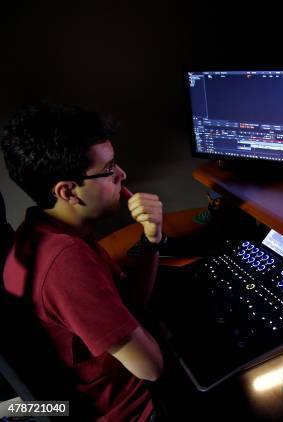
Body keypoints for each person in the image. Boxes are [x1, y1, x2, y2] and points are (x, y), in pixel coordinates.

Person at [1, 104, 164, 421]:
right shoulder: (65, 262)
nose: (122, 175)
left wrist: (153, 240)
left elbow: (130, 304)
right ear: (68, 191)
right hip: (134, 410)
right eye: (110, 168)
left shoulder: (42, 229)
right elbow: (152, 368)